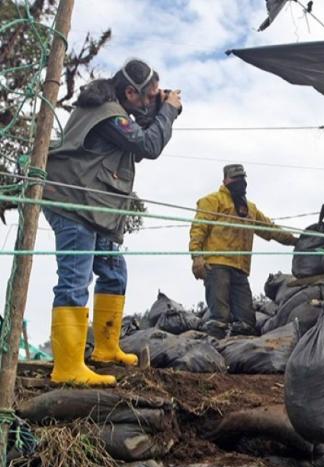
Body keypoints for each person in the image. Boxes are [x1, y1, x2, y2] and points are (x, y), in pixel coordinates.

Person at [42, 59, 181, 385]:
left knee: (114, 273)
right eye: (148, 96)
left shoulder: (112, 107)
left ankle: (105, 348)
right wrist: (169, 111)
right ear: (130, 91)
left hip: (94, 207)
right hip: (73, 204)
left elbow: (142, 138)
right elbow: (148, 144)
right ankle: (67, 367)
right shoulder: (107, 114)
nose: (150, 102)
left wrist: (159, 108)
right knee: (75, 282)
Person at [190, 165, 297, 337]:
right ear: (225, 180)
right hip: (217, 266)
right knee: (220, 317)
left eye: (242, 178)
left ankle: (239, 355)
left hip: (240, 269)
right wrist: (196, 256)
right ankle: (214, 354)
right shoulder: (212, 201)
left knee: (247, 321)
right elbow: (198, 229)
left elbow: (270, 229)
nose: (240, 182)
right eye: (235, 178)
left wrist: (295, 241)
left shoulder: (250, 209)